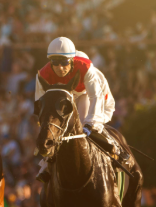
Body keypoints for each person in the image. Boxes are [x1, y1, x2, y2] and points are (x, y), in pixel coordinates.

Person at [34, 37, 129, 183]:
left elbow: (95, 97)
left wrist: (90, 124)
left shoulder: (87, 69)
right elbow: (41, 105)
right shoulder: (43, 75)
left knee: (86, 125)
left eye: (64, 62)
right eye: (55, 62)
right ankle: (46, 164)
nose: (60, 67)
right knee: (56, 130)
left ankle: (116, 150)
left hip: (91, 94)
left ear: (71, 61)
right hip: (68, 96)